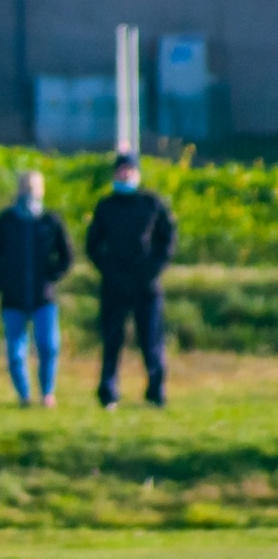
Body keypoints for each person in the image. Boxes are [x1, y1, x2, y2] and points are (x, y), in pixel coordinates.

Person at [86, 152, 177, 408]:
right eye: (121, 170)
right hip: (114, 285)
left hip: (146, 286)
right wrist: (109, 270)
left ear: (137, 173)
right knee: (112, 339)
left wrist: (151, 269)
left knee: (151, 341)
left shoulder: (151, 204)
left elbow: (167, 240)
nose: (125, 174)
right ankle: (108, 392)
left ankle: (156, 392)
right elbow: (93, 245)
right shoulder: (106, 206)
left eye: (129, 170)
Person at [0, 170, 73, 407]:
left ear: (42, 190)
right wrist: (3, 283)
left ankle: (47, 393)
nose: (29, 192)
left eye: (34, 187)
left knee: (48, 346)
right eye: (25, 187)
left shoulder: (50, 221)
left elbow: (66, 256)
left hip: (43, 298)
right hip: (13, 299)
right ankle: (24, 395)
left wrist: (51, 277)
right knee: (15, 352)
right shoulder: (6, 221)